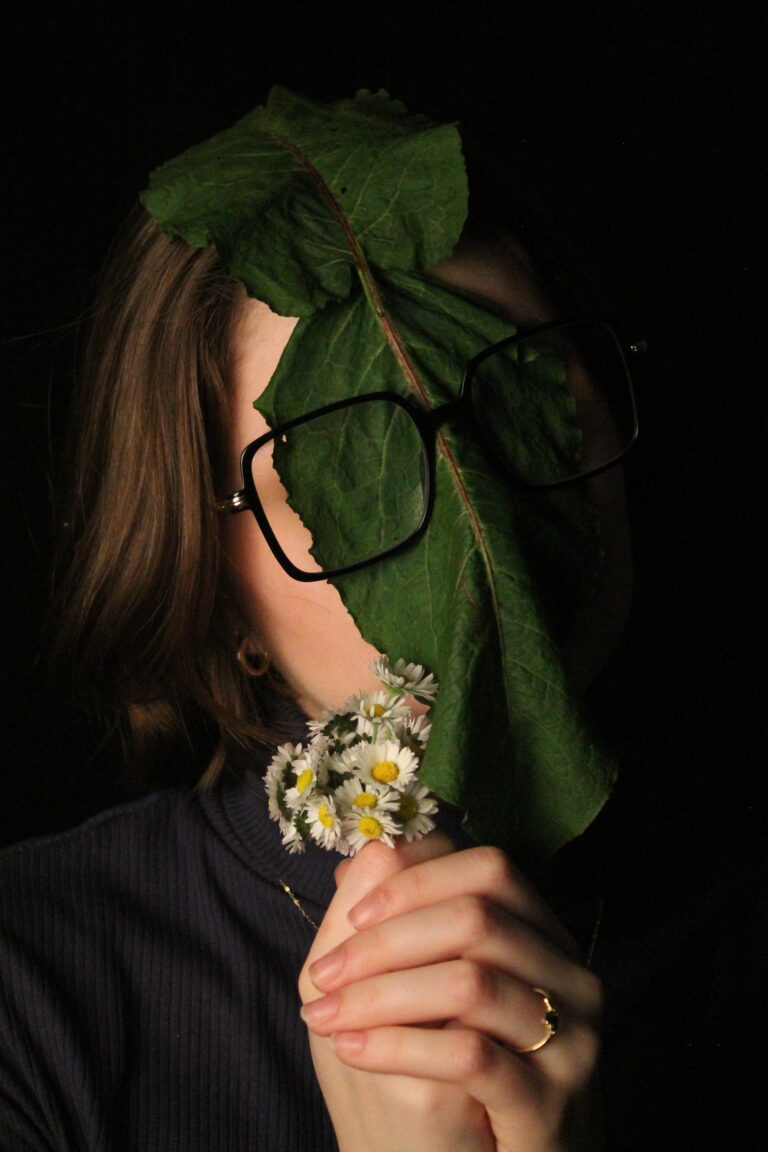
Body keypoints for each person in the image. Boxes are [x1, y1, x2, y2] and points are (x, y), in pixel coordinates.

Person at [0, 97, 636, 1151]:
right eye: (352, 469)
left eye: (530, 401)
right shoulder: (32, 998)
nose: (492, 528)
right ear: (211, 580)